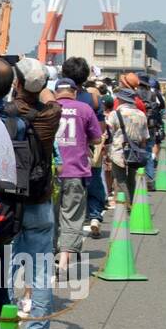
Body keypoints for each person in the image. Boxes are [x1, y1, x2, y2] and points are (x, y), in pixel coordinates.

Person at [4, 57, 60, 329]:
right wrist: (40, 85)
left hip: (10, 201)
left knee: (6, 270)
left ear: (17, 84)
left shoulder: (7, 113)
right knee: (40, 271)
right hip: (40, 201)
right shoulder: (51, 114)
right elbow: (49, 97)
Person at [52, 76, 102, 279]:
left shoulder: (48, 108)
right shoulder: (84, 109)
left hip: (52, 172)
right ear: (74, 92)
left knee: (53, 217)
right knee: (72, 217)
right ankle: (64, 261)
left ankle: (53, 255)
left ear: (56, 93)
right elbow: (97, 138)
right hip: (76, 171)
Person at [61, 57, 107, 237]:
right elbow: (100, 129)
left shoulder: (52, 98)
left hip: (58, 157)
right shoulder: (92, 99)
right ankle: (95, 216)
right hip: (84, 153)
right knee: (95, 183)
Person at [106, 88, 150, 207]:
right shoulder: (141, 115)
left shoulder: (115, 114)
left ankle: (127, 204)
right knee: (132, 178)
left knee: (120, 179)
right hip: (135, 150)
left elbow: (109, 132)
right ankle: (133, 203)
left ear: (120, 99)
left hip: (118, 150)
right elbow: (145, 137)